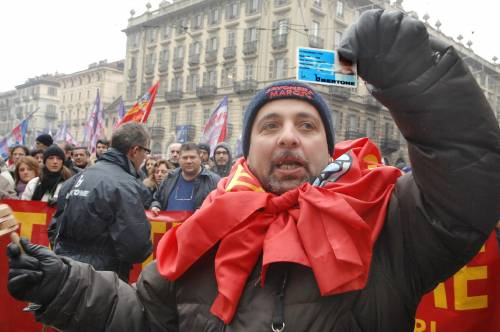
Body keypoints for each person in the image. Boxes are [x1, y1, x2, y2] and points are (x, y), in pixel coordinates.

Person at [6, 10, 500, 332]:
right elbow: (144, 319)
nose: (287, 136)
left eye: (306, 125)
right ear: (247, 151)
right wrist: (69, 285)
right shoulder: (205, 230)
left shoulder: (385, 220)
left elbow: (468, 177)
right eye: (269, 126)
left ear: (330, 151)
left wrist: (417, 78)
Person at [42, 122, 153, 282]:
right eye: (146, 151)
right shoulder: (125, 186)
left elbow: (54, 230)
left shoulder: (74, 179)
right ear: (135, 151)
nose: (145, 157)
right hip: (104, 281)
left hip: (66, 275)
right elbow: (136, 248)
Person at [151, 142, 220, 213]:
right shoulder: (169, 177)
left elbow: (219, 209)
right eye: (185, 158)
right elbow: (157, 199)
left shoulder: (213, 181)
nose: (189, 161)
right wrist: (155, 206)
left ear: (200, 158)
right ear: (179, 159)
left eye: (192, 157)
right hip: (170, 224)